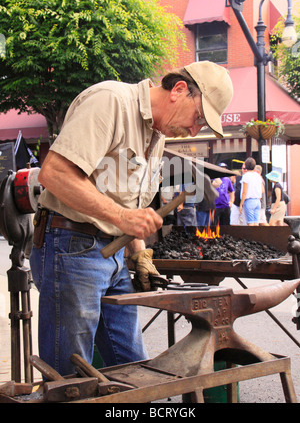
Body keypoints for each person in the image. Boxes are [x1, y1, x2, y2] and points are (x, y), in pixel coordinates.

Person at [29, 60, 233, 376]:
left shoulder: (157, 135)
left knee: (134, 370)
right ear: (179, 90)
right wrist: (123, 218)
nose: (195, 129)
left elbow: (127, 205)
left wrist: (140, 254)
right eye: (199, 118)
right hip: (71, 247)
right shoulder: (111, 101)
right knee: (68, 381)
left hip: (114, 257)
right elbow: (55, 173)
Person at [239, 157, 264, 226]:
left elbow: (244, 192)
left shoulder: (246, 176)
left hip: (249, 200)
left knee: (250, 223)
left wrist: (241, 204)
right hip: (257, 200)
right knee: (256, 223)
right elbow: (262, 190)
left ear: (246, 166)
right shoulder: (258, 176)